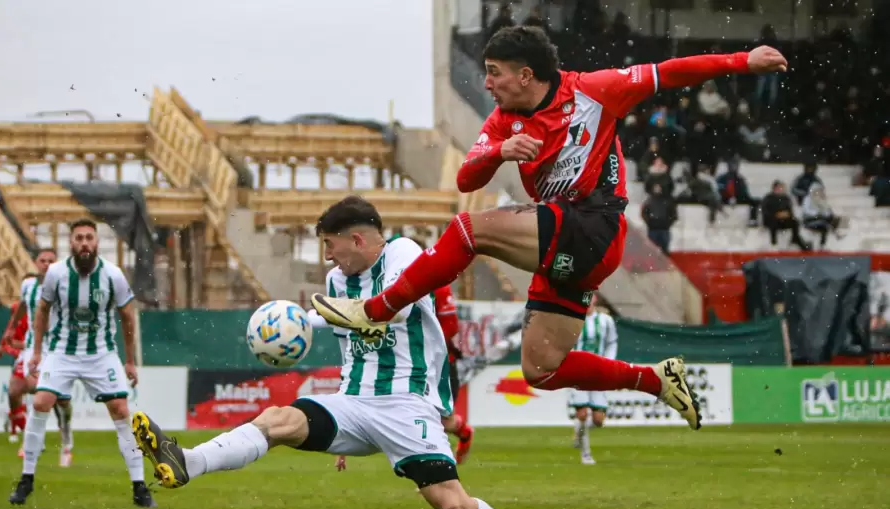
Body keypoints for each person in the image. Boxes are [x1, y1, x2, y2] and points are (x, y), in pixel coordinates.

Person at [313, 27, 788, 432]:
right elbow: (466, 178)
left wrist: (742, 60)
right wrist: (498, 152)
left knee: (467, 230)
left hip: (594, 224)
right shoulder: (503, 120)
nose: (487, 82)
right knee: (541, 368)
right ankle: (655, 380)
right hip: (566, 237)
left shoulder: (596, 89)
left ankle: (374, 310)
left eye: (495, 71)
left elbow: (670, 70)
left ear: (525, 75)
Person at [130, 197, 543, 509]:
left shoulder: (402, 251)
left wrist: (318, 316)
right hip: (355, 401)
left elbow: (394, 309)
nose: (327, 256)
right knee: (279, 420)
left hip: (406, 401)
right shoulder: (337, 281)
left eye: (330, 244)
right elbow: (352, 350)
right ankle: (188, 461)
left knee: (453, 505)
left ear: (358, 240)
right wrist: (345, 420)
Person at [8, 218, 154, 507]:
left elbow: (127, 317)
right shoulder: (56, 274)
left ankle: (139, 486)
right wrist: (37, 352)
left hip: (101, 353)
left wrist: (129, 361)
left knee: (121, 409)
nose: (84, 243)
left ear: (97, 242)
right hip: (61, 350)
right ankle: (26, 479)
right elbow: (42, 310)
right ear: (71, 243)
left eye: (89, 237)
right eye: (79, 238)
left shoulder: (113, 275)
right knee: (40, 403)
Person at [0, 249, 76, 464]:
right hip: (32, 348)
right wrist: (11, 328)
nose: (46, 264)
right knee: (16, 389)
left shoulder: (65, 287)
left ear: (57, 264)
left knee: (60, 401)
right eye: (42, 260)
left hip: (57, 349)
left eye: (51, 261)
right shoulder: (28, 286)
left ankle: (66, 440)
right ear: (35, 263)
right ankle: (31, 439)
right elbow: (23, 306)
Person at [567, 296, 616, 465]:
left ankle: (578, 430)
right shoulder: (572, 320)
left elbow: (612, 343)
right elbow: (566, 344)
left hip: (598, 372)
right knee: (582, 414)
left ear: (594, 301)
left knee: (598, 420)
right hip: (578, 372)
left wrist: (608, 363)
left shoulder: (606, 321)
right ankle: (585, 455)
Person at [433, 283, 475, 464]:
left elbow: (451, 326)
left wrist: (428, 346)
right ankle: (463, 432)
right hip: (418, 364)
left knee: (439, 421)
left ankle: (437, 474)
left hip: (442, 365)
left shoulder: (438, 286)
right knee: (429, 419)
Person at [0, 300, 29, 443]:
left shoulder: (38, 313)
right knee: (15, 395)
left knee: (20, 398)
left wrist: (10, 346)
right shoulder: (17, 312)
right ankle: (19, 431)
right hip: (20, 358)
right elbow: (9, 332)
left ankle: (17, 425)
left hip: (32, 357)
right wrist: (4, 346)